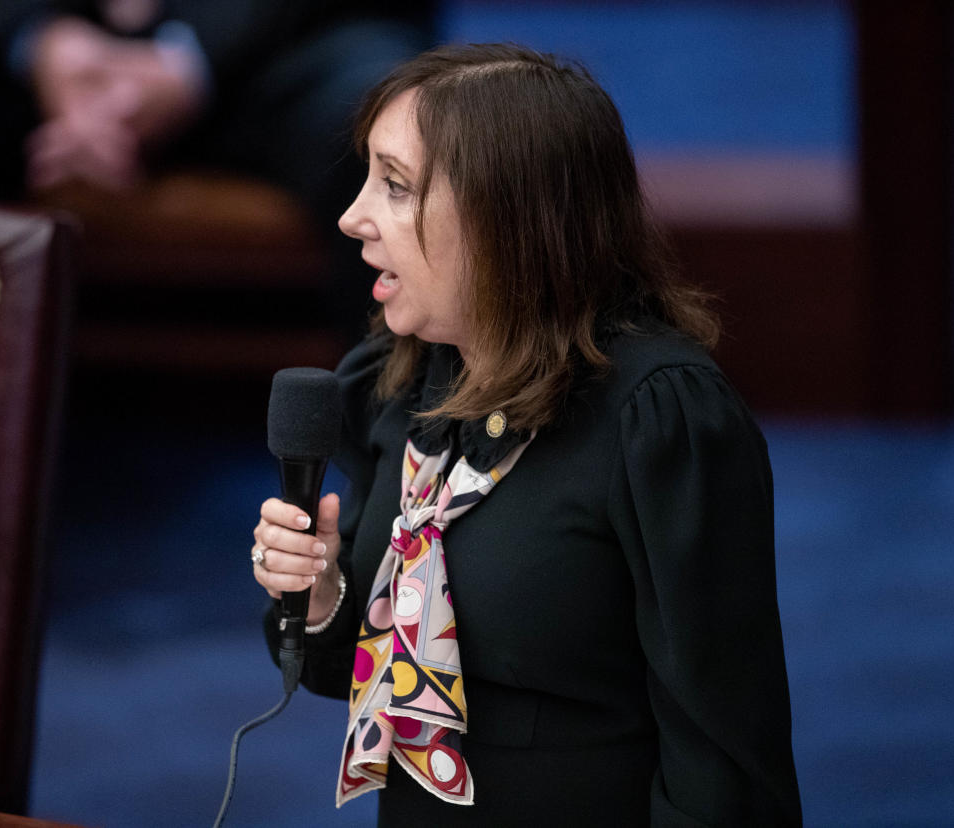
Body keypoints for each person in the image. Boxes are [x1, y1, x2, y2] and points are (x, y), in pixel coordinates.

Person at [250, 43, 804, 825]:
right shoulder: (401, 380)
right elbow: (349, 672)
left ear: (506, 216)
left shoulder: (660, 418)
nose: (352, 217)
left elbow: (725, 760)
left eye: (396, 186)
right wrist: (323, 594)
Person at [0, 0, 436, 336]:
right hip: (25, 43)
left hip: (278, 41)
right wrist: (38, 39)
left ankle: (402, 481)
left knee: (395, 142)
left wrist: (191, 56)